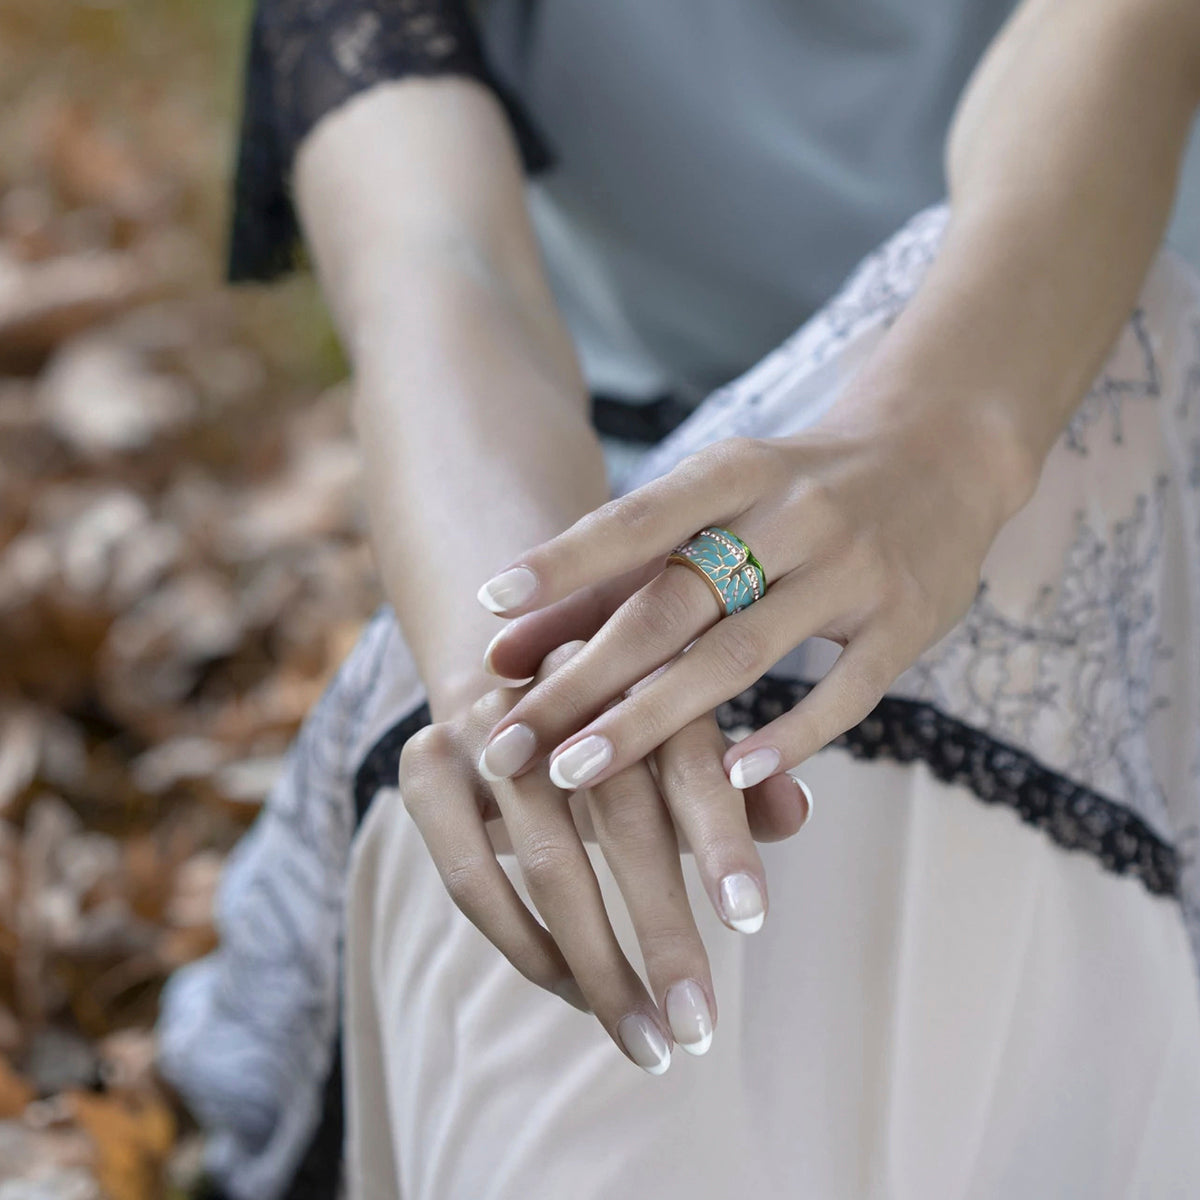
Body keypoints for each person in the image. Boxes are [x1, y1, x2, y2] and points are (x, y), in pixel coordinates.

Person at [158, 1, 1200, 1197]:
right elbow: (439, 271)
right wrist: (531, 684)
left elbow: (1118, 65)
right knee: (545, 780)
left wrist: (936, 454)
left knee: (1104, 380)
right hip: (594, 510)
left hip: (1035, 418)